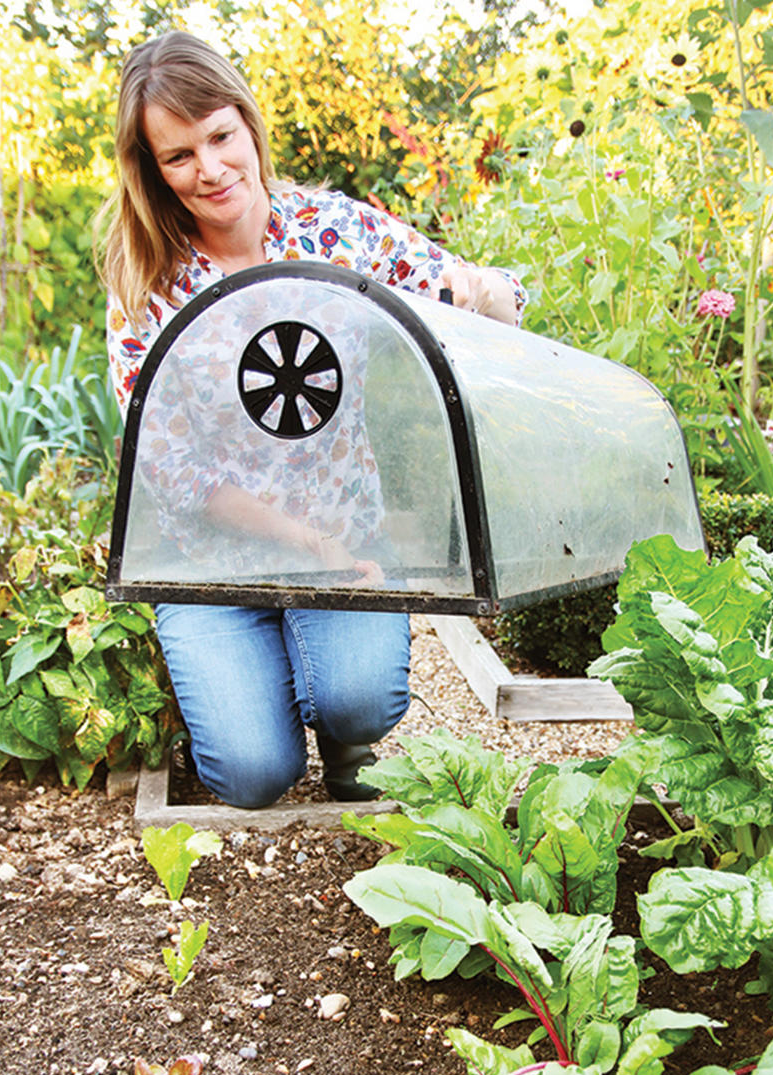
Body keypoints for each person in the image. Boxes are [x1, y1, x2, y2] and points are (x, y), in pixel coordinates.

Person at [97, 30, 526, 808]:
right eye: (179, 156)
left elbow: (450, 291)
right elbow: (169, 467)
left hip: (343, 548)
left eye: (221, 137)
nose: (211, 169)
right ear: (153, 170)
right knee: (253, 776)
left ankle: (340, 721)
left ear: (248, 125)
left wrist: (490, 293)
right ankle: (242, 689)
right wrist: (296, 538)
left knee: (358, 698)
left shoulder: (334, 231)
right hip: (212, 568)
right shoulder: (148, 282)